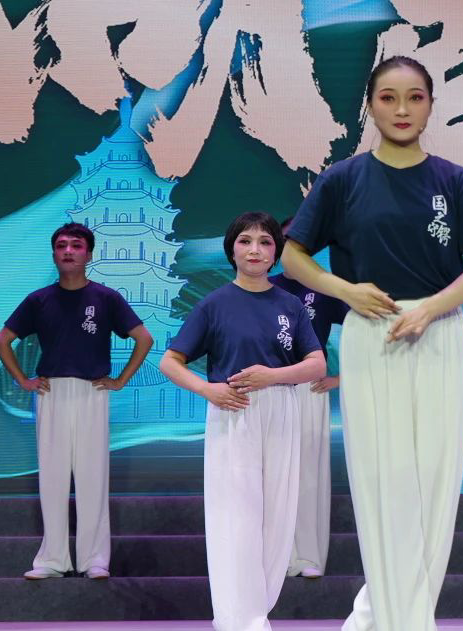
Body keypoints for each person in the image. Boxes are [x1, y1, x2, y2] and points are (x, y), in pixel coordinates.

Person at [280, 56, 463, 631]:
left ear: (430, 105)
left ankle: (398, 617)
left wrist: (433, 306)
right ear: (370, 106)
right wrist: (344, 290)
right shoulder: (343, 179)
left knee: (435, 480)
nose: (402, 109)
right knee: (382, 482)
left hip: (440, 332)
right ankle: (395, 617)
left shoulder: (454, 180)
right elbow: (293, 255)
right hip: (371, 333)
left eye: (414, 97)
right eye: (388, 97)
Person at [159, 211, 326, 631]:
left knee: (279, 512)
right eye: (245, 241)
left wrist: (273, 376)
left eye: (265, 242)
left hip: (282, 408)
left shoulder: (290, 304)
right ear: (231, 249)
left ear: (276, 252)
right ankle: (238, 617)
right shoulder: (214, 303)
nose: (255, 250)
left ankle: (256, 610)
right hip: (233, 411)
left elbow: (316, 364)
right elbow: (170, 361)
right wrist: (208, 390)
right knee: (235, 514)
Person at [0, 222, 153, 581]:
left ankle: (94, 560)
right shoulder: (39, 300)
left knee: (92, 476)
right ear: (54, 254)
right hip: (50, 392)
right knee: (52, 477)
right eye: (62, 245)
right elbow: (2, 339)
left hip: (92, 392)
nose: (68, 251)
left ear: (89, 254)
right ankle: (52, 560)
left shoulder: (106, 298)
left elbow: (143, 338)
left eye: (76, 245)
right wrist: (22, 380)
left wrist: (120, 381)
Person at [270, 217, 349, 579]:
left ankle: (309, 556)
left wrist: (342, 378)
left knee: (310, 474)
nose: (293, 245)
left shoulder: (326, 290)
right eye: (286, 239)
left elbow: (367, 331)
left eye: (301, 239)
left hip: (310, 389)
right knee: (273, 473)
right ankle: (277, 557)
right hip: (269, 389)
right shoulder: (264, 287)